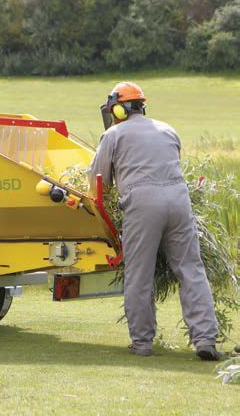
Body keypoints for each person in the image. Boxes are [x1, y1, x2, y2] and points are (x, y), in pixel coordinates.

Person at [88, 82, 221, 361]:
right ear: (142, 106)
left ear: (119, 109)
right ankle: (206, 339)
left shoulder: (113, 134)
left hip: (143, 203)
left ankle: (142, 342)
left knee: (140, 274)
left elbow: (98, 181)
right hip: (179, 200)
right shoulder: (167, 129)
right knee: (191, 270)